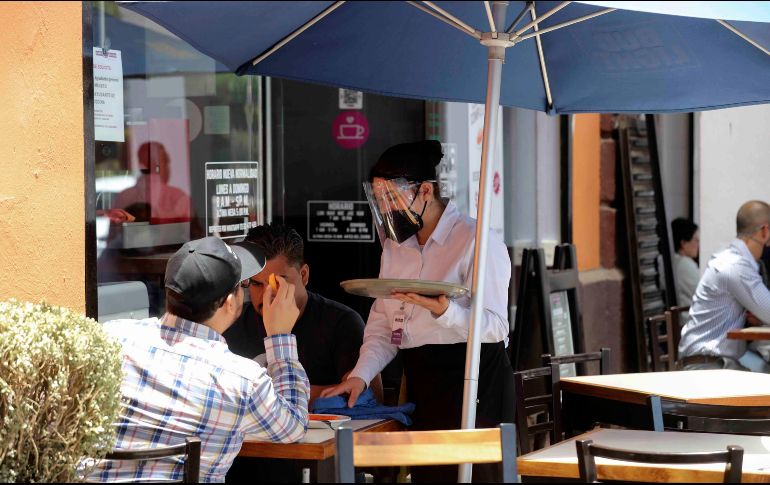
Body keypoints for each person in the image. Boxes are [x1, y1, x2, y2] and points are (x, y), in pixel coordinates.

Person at [321, 140, 515, 483]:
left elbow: (497, 327)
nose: (386, 208)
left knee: (477, 475)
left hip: (475, 374)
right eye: (379, 200)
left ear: (425, 191)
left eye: (393, 198)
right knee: (429, 475)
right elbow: (384, 326)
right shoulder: (394, 248)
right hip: (422, 375)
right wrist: (359, 375)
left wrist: (445, 311)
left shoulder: (476, 240)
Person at [91, 236, 309, 482]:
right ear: (229, 302)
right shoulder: (241, 381)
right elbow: (293, 427)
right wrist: (280, 338)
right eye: (244, 285)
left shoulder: (111, 338)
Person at [222, 223, 372, 483]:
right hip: (245, 463)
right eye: (257, 285)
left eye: (279, 283)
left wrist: (259, 397)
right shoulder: (232, 323)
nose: (268, 295)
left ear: (303, 275)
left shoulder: (341, 322)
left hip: (319, 463)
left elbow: (361, 397)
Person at [679, 201, 770, 372]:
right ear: (764, 231)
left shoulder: (729, 258)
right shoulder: (736, 266)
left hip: (713, 362)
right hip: (707, 367)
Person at [113, 141, 192, 223]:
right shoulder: (178, 198)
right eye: (165, 161)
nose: (168, 167)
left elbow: (114, 234)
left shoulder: (123, 197)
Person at [671, 217, 700, 319]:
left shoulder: (672, 260)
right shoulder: (683, 264)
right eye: (695, 240)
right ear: (683, 243)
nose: (698, 245)